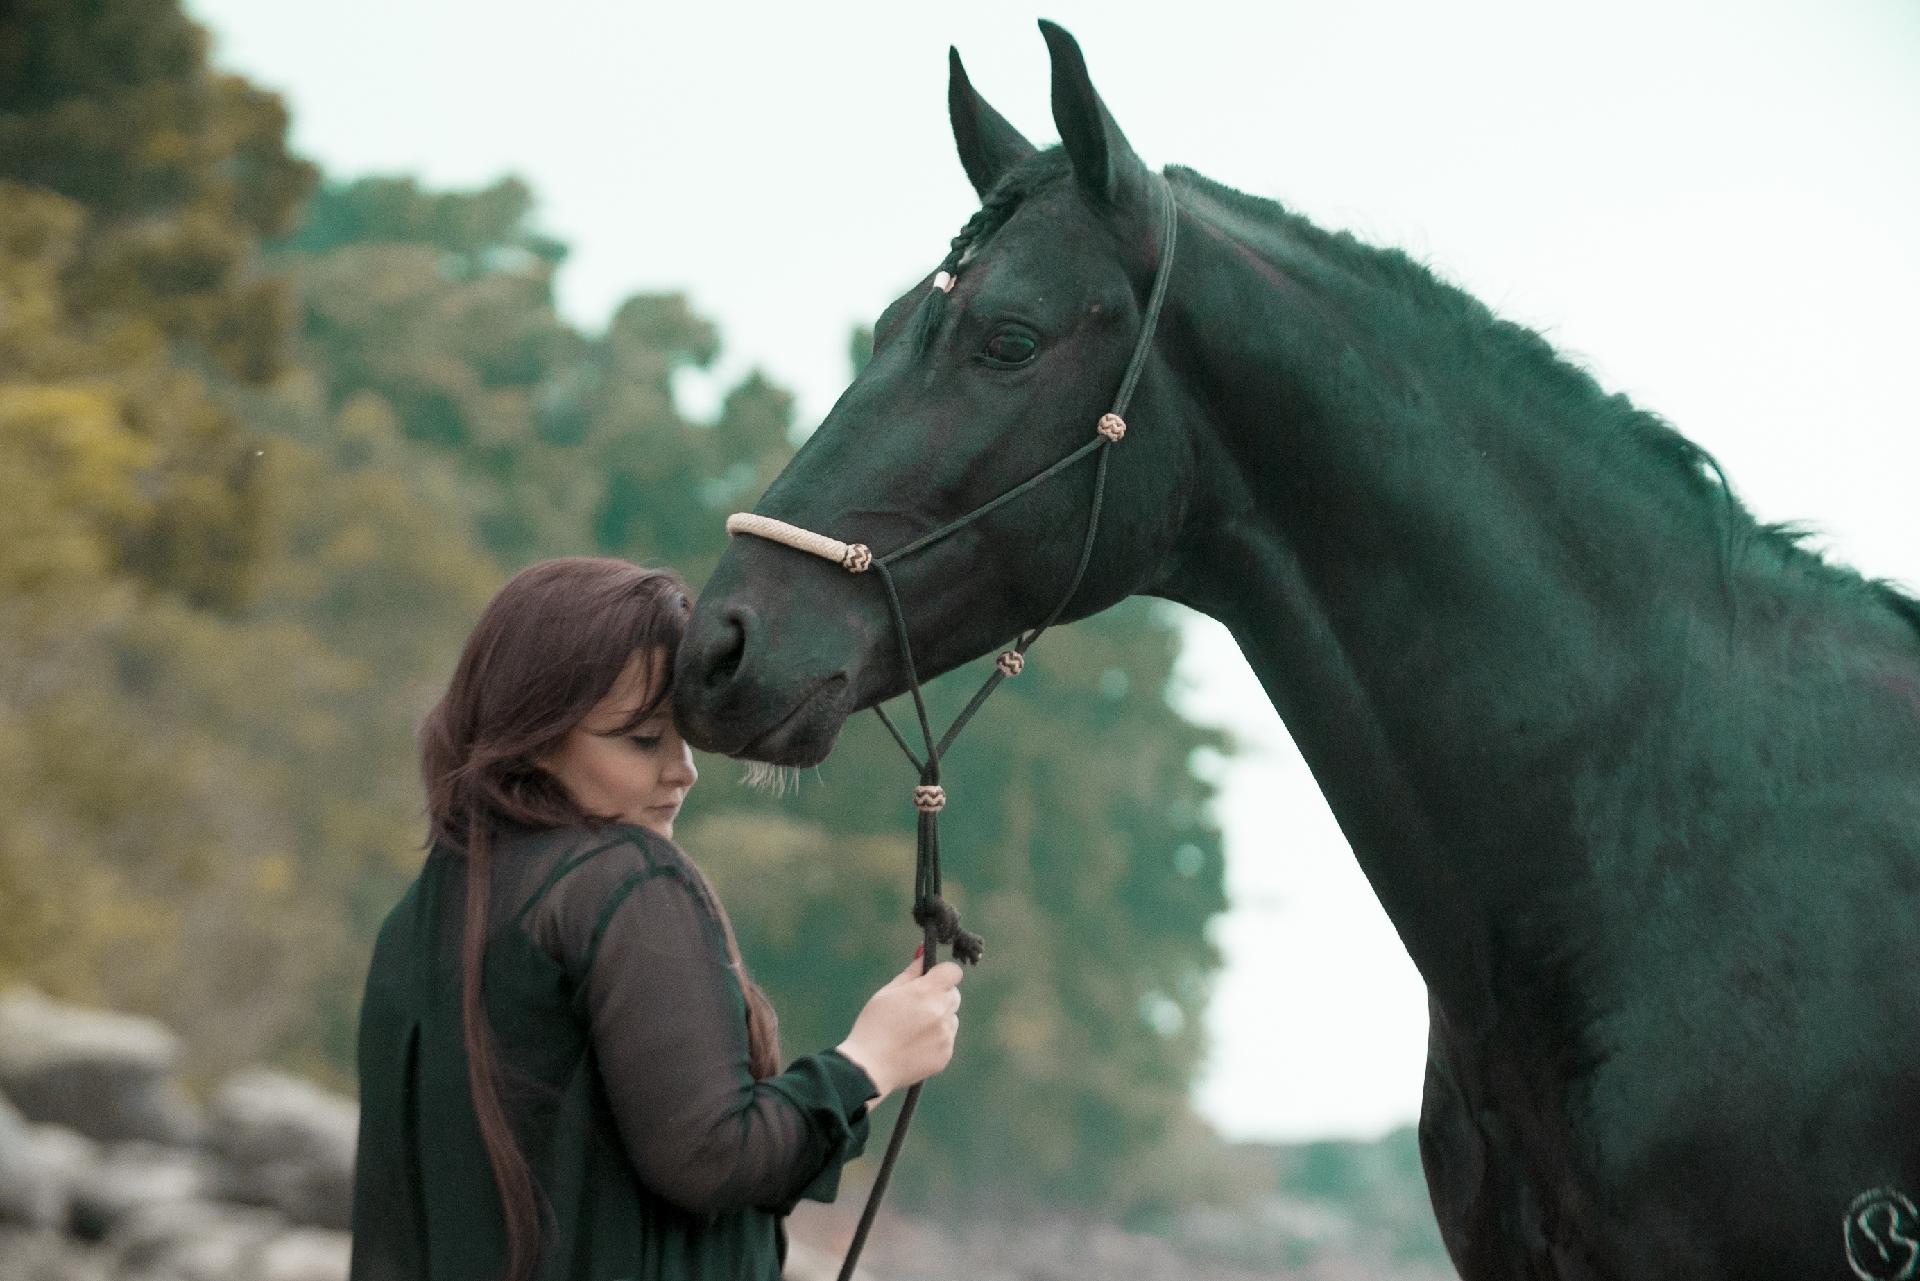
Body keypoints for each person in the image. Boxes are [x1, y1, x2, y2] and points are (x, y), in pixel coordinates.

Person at [347, 557, 964, 1281]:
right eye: (642, 740)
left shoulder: (415, 919)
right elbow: (711, 1153)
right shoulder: (621, 878)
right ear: (532, 732)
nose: (683, 771)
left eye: (685, 737)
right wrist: (868, 1062)